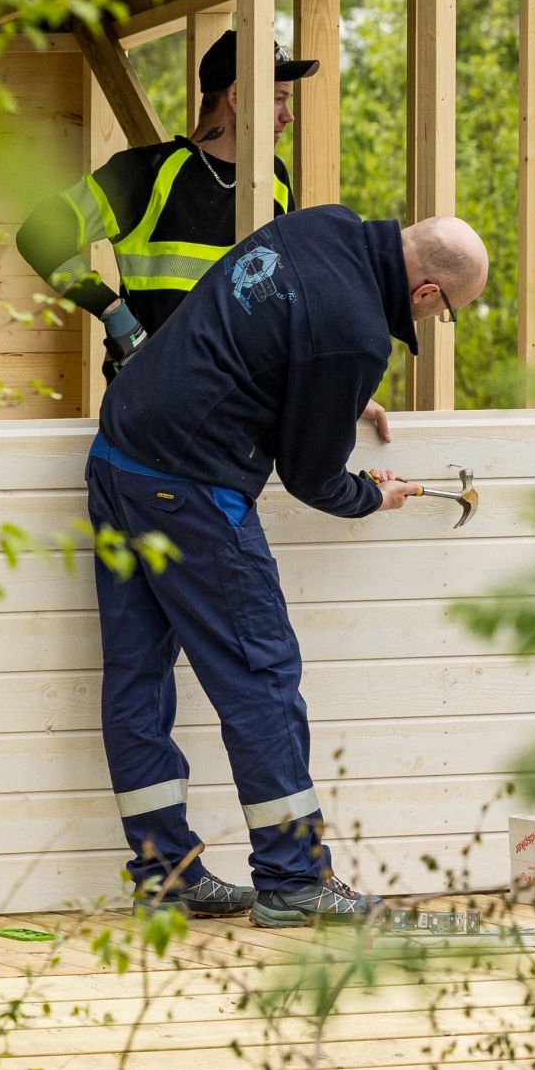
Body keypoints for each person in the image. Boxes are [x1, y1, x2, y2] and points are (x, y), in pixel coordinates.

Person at [86, 204, 490, 924]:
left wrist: (333, 397)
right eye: (446, 311)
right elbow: (311, 477)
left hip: (119, 454)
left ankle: (164, 873)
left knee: (136, 675)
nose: (436, 319)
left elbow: (264, 336)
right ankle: (293, 876)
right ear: (428, 292)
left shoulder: (322, 227)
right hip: (190, 485)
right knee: (262, 678)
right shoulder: (357, 337)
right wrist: (371, 496)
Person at [16, 31, 306, 383]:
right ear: (235, 96)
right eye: (278, 99)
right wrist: (113, 313)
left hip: (236, 398)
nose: (288, 116)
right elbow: (38, 235)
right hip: (150, 394)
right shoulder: (144, 172)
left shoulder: (274, 179)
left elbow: (287, 292)